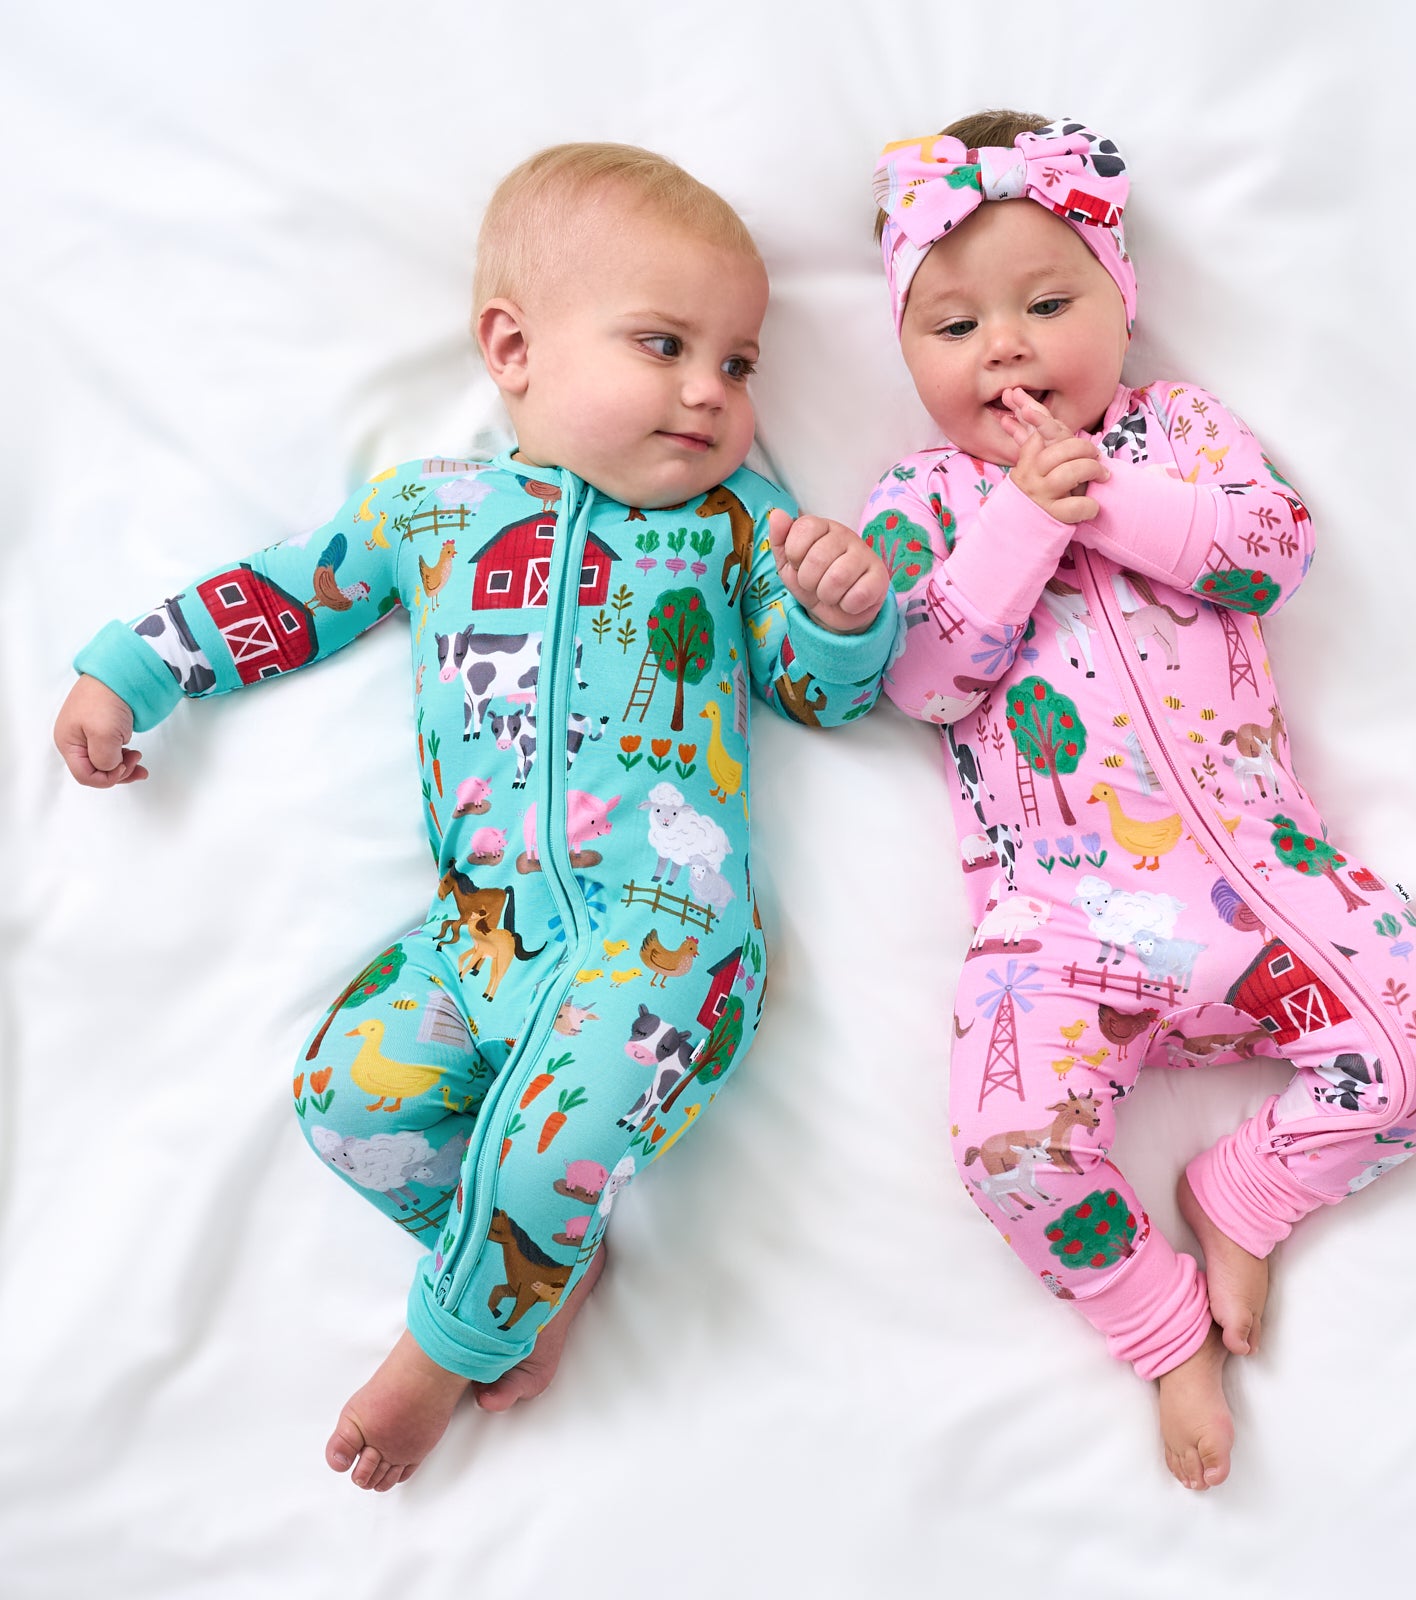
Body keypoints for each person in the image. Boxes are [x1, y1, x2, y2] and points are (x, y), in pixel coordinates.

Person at [53, 142, 894, 1492]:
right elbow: (287, 593)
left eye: (739, 363)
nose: (710, 390)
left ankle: (444, 1348)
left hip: (666, 942)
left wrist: (844, 619)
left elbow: (816, 691)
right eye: (665, 344)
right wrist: (138, 669)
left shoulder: (737, 522)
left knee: (558, 1140)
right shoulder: (430, 509)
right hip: (477, 936)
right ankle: (535, 1264)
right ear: (512, 348)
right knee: (348, 1097)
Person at [861, 110, 1416, 1491]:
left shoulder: (1178, 432)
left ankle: (1245, 1193)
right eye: (955, 325)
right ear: (905, 352)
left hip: (1265, 881)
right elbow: (923, 680)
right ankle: (1158, 1322)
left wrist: (1104, 500)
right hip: (1062, 922)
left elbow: (1271, 551)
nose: (1005, 347)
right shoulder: (921, 499)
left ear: (1123, 302)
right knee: (1006, 1150)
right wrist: (1022, 518)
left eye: (1047, 305)